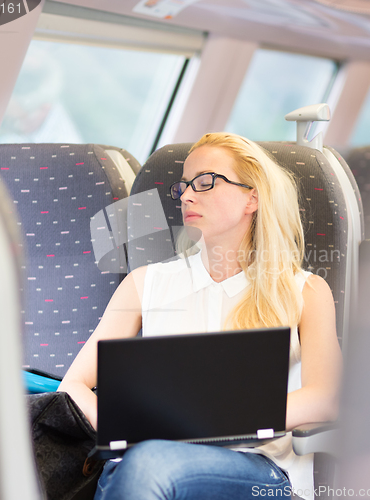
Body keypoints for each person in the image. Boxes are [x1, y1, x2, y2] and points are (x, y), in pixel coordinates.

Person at [58, 132, 342, 500]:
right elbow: (73, 386)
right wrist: (124, 430)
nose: (187, 195)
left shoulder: (305, 290)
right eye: (184, 186)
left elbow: (326, 397)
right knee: (140, 462)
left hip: (257, 469)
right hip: (147, 456)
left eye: (206, 182)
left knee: (148, 465)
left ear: (252, 197)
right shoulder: (144, 284)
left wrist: (215, 418)